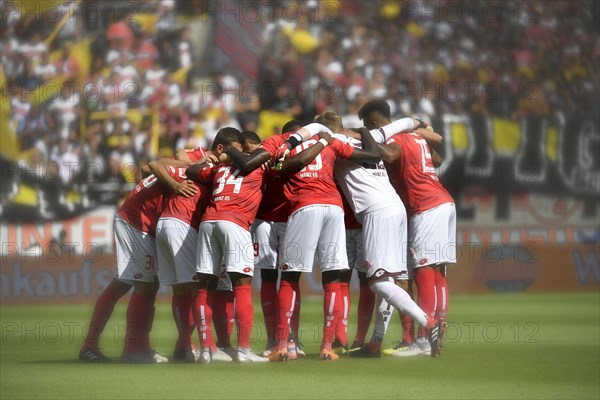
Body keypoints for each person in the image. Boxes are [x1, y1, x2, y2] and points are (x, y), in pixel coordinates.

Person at [303, 111, 443, 359]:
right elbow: (402, 124)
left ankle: (429, 322)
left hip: (375, 211)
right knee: (391, 280)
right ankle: (376, 343)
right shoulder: (370, 134)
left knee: (378, 281)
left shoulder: (332, 141)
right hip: (396, 207)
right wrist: (419, 122)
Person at [79, 153, 197, 363]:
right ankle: (131, 348)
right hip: (136, 222)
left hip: (136, 221)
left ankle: (132, 346)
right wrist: (180, 181)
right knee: (143, 284)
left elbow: (147, 168)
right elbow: (151, 165)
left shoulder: (180, 166)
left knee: (131, 283)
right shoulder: (188, 170)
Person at [359, 98, 452, 358]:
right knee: (436, 269)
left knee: (422, 269)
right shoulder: (415, 136)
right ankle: (437, 328)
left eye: (369, 125)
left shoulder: (396, 138)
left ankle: (423, 339)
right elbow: (437, 159)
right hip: (443, 201)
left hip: (425, 205)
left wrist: (367, 139)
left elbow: (387, 153)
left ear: (376, 123)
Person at [186, 128, 269, 363]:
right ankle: (243, 351)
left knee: (205, 287)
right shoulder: (258, 164)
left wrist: (210, 159)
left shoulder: (219, 168)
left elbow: (191, 172)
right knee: (241, 287)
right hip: (235, 223)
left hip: (208, 223)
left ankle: (205, 350)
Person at [248, 120, 306, 358]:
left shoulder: (302, 154)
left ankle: (284, 338)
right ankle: (282, 339)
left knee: (279, 278)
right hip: (270, 220)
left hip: (286, 219)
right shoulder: (278, 150)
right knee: (283, 279)